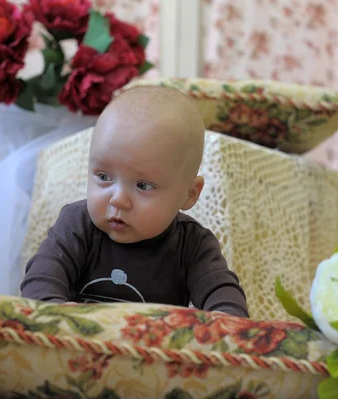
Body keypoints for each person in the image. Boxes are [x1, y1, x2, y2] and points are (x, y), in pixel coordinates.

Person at [20, 86, 248, 317]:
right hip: (78, 345)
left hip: (151, 350)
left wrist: (227, 321)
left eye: (143, 186)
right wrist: (51, 311)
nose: (118, 199)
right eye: (104, 177)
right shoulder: (76, 224)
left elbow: (223, 293)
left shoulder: (192, 245)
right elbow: (41, 279)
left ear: (190, 194)